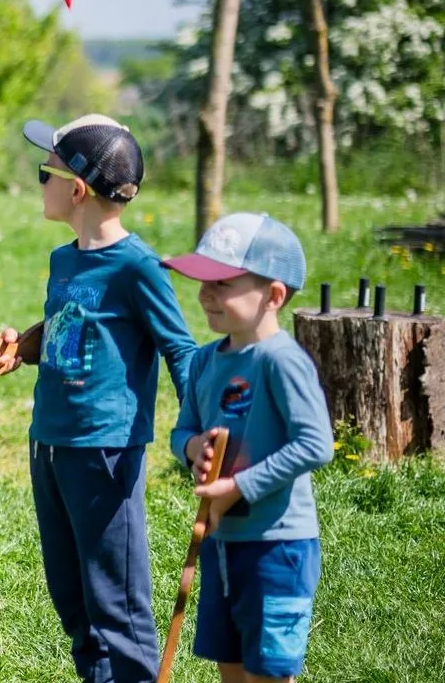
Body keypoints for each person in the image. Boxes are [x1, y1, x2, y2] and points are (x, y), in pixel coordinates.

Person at [22, 114, 198, 683]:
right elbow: (71, 325)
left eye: (42, 173)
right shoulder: (64, 259)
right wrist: (25, 345)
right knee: (72, 599)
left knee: (116, 604)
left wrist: (204, 425)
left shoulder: (137, 266)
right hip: (48, 443)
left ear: (76, 189)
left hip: (104, 450)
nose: (39, 184)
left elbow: (180, 348)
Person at [164, 214, 332, 683]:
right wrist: (193, 447)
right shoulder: (202, 362)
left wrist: (239, 486)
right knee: (231, 667)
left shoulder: (281, 361)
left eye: (222, 283)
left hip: (277, 546)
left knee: (269, 673)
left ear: (273, 296)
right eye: (201, 281)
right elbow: (183, 432)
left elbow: (316, 444)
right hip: (221, 544)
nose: (204, 295)